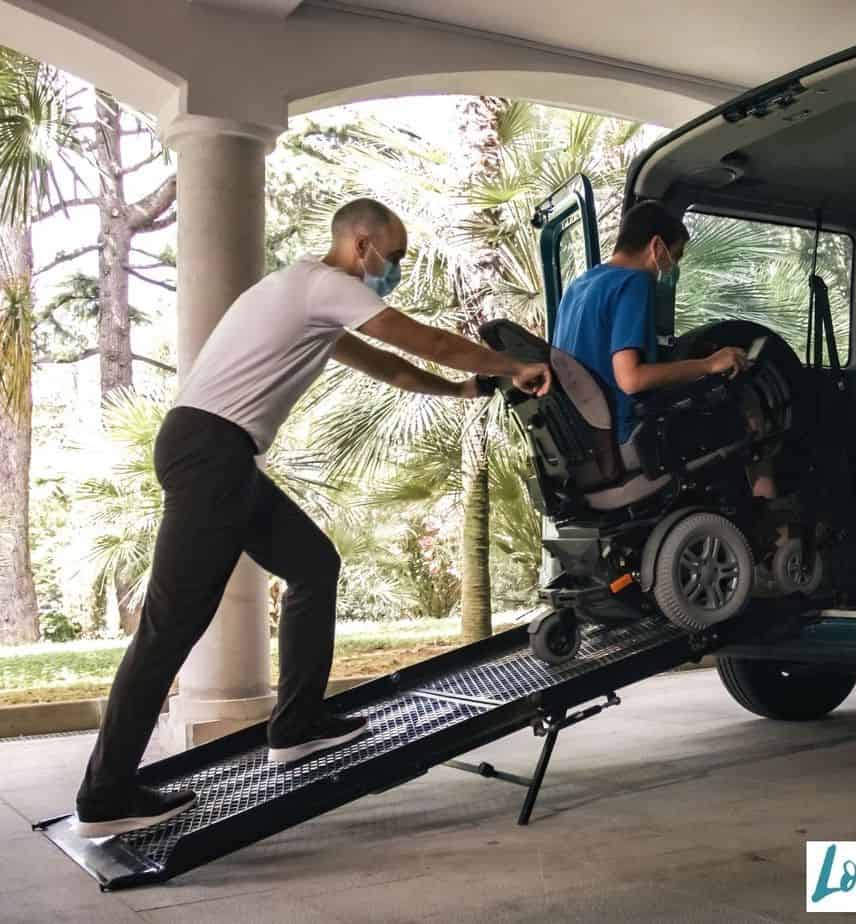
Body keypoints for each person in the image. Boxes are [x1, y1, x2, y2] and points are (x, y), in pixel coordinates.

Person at [73, 198, 552, 838]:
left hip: (223, 456)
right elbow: (425, 341)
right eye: (395, 255)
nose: (395, 268)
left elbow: (391, 366)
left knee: (312, 565)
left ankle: (295, 729)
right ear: (362, 245)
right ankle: (105, 797)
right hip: (209, 453)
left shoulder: (308, 298)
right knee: (171, 625)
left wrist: (465, 390)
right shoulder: (325, 286)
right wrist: (514, 365)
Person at [551, 200, 775, 498]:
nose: (673, 267)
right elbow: (631, 379)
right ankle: (771, 519)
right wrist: (709, 364)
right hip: (626, 436)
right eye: (675, 256)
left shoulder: (579, 286)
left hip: (584, 442)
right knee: (746, 407)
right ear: (656, 246)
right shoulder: (635, 282)